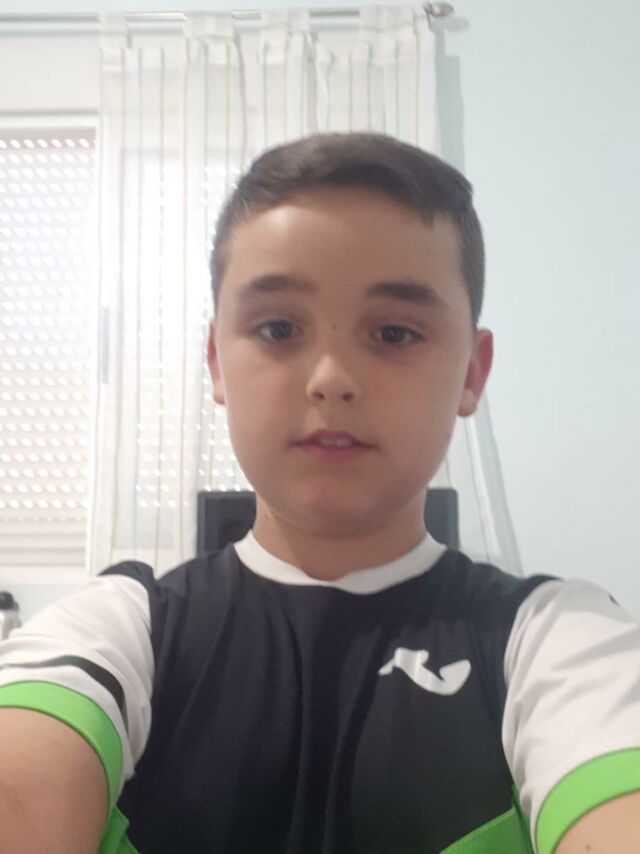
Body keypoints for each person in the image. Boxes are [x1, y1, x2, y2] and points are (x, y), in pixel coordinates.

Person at [0, 132, 639, 854]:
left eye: (394, 333)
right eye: (278, 327)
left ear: (471, 372)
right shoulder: (114, 631)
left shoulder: (563, 644)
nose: (331, 378)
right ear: (216, 361)